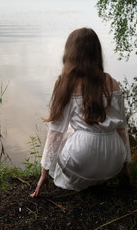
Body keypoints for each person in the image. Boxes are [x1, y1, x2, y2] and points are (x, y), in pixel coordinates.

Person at [30, 28, 131, 198]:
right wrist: (125, 168)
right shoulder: (112, 82)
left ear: (70, 52)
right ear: (96, 52)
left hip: (82, 158)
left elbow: (55, 132)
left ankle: (85, 176)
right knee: (75, 129)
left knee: (66, 130)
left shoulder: (65, 82)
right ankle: (101, 175)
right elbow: (121, 128)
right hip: (113, 159)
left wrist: (44, 173)